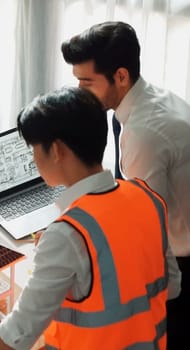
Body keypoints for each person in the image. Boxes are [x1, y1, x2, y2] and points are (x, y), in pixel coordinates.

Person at [0, 87, 180, 349]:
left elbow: (20, 331)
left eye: (34, 149)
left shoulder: (67, 234)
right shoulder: (147, 198)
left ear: (55, 151)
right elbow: (173, 285)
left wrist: (63, 250)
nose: (33, 159)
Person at [61, 21, 190, 349]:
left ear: (120, 76)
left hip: (178, 261)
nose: (80, 91)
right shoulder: (149, 100)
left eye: (86, 82)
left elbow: (138, 226)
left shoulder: (145, 132)